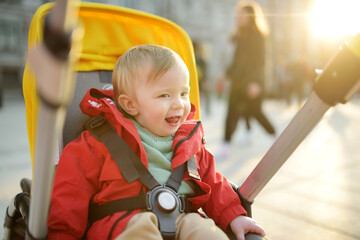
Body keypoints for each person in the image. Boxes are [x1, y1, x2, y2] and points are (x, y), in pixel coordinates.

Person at [47, 45, 265, 240]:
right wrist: (63, 234)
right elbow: (71, 191)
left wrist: (234, 216)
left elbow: (214, 182)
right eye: (164, 96)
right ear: (130, 105)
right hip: (124, 220)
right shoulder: (99, 140)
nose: (179, 104)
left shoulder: (189, 142)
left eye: (183, 93)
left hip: (184, 217)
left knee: (206, 233)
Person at [216, 1, 276, 157]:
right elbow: (236, 62)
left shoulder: (258, 36)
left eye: (241, 15)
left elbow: (261, 61)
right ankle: (226, 144)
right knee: (232, 112)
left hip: (251, 82)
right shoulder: (239, 36)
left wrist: (256, 82)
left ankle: (275, 135)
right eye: (238, 14)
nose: (238, 17)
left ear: (250, 17)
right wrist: (226, 74)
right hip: (238, 81)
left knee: (255, 111)